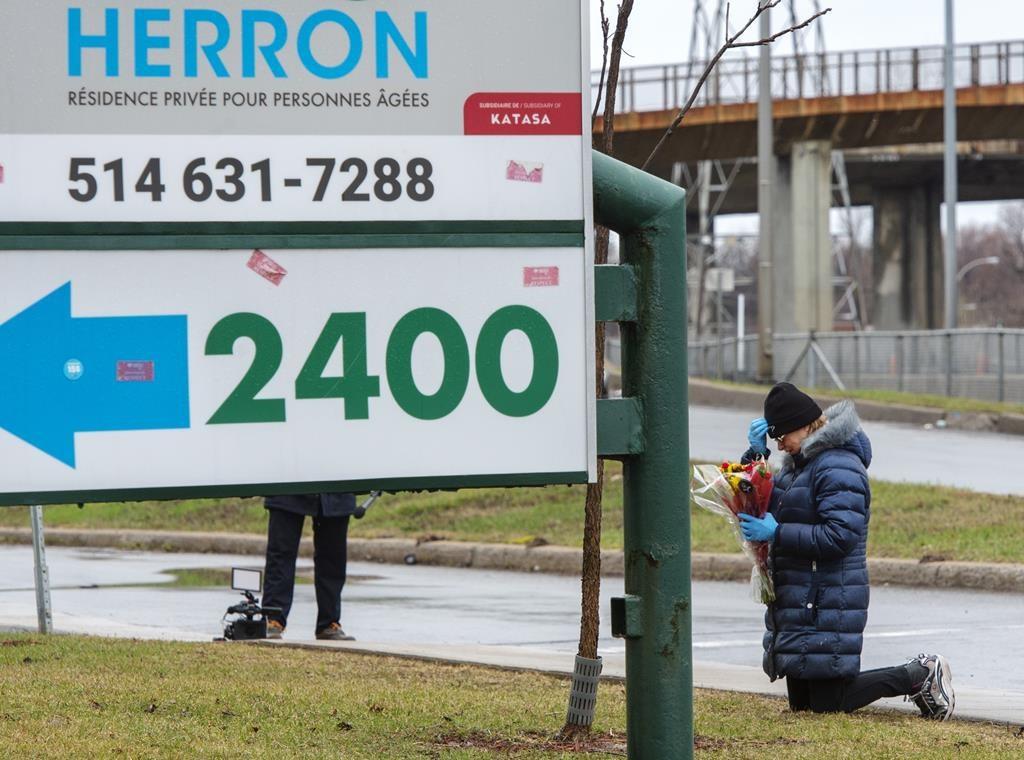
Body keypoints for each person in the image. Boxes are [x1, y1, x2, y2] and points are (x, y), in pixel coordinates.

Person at [737, 382, 955, 719]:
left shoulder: (838, 465)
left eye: (782, 436)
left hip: (828, 595)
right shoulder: (798, 465)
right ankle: (913, 677)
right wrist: (756, 457)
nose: (779, 443)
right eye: (774, 438)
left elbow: (840, 536)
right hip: (799, 596)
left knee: (829, 703)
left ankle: (919, 674)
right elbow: (763, 502)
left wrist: (778, 533)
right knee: (804, 706)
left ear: (806, 425)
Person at [262, 493, 357, 641]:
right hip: (288, 485)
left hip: (336, 490)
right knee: (281, 554)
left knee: (333, 557)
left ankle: (329, 623)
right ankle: (273, 619)